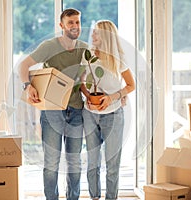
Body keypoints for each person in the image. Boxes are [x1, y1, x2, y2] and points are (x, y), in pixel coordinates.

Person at [18, 8, 88, 200]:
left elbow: (86, 78)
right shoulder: (49, 46)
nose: (75, 26)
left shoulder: (84, 48)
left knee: (74, 162)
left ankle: (73, 197)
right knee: (51, 161)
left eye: (77, 22)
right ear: (61, 25)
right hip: (51, 111)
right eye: (71, 22)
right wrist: (28, 86)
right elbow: (23, 66)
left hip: (75, 110)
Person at [80, 20, 135, 200]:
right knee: (92, 162)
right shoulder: (87, 56)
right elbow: (81, 82)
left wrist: (112, 97)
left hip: (113, 114)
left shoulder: (118, 59)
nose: (93, 35)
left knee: (112, 163)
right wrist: (88, 96)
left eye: (96, 33)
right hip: (90, 114)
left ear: (105, 36)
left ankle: (111, 198)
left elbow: (131, 85)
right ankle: (94, 197)